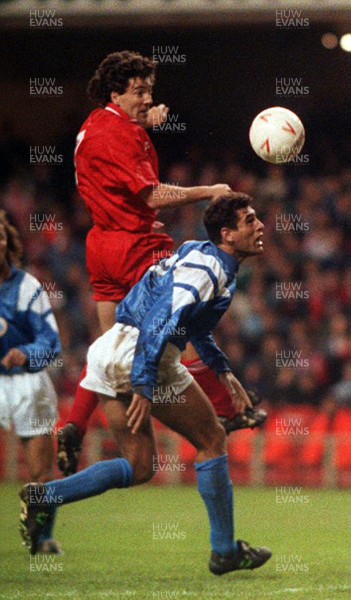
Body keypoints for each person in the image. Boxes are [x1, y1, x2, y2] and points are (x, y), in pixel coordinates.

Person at [20, 193, 272, 574]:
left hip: (111, 350)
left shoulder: (202, 254)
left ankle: (45, 496)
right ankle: (224, 552)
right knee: (212, 440)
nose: (260, 226)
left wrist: (222, 371)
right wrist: (144, 385)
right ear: (228, 234)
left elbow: (190, 327)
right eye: (250, 221)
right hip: (141, 352)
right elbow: (160, 322)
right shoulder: (207, 273)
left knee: (140, 467)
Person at [58, 50, 266, 475]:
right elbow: (151, 195)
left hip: (101, 244)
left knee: (109, 348)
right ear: (115, 93)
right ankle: (229, 411)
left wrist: (142, 121)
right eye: (138, 92)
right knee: (181, 324)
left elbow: (116, 160)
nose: (148, 99)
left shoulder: (98, 124)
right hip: (137, 244)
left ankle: (74, 426)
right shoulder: (120, 136)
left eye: (150, 90)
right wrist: (208, 190)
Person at [0, 210, 61, 554]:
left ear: (7, 243)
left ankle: (42, 539)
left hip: (27, 383)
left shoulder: (27, 287)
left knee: (41, 471)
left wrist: (26, 352)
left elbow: (51, 342)